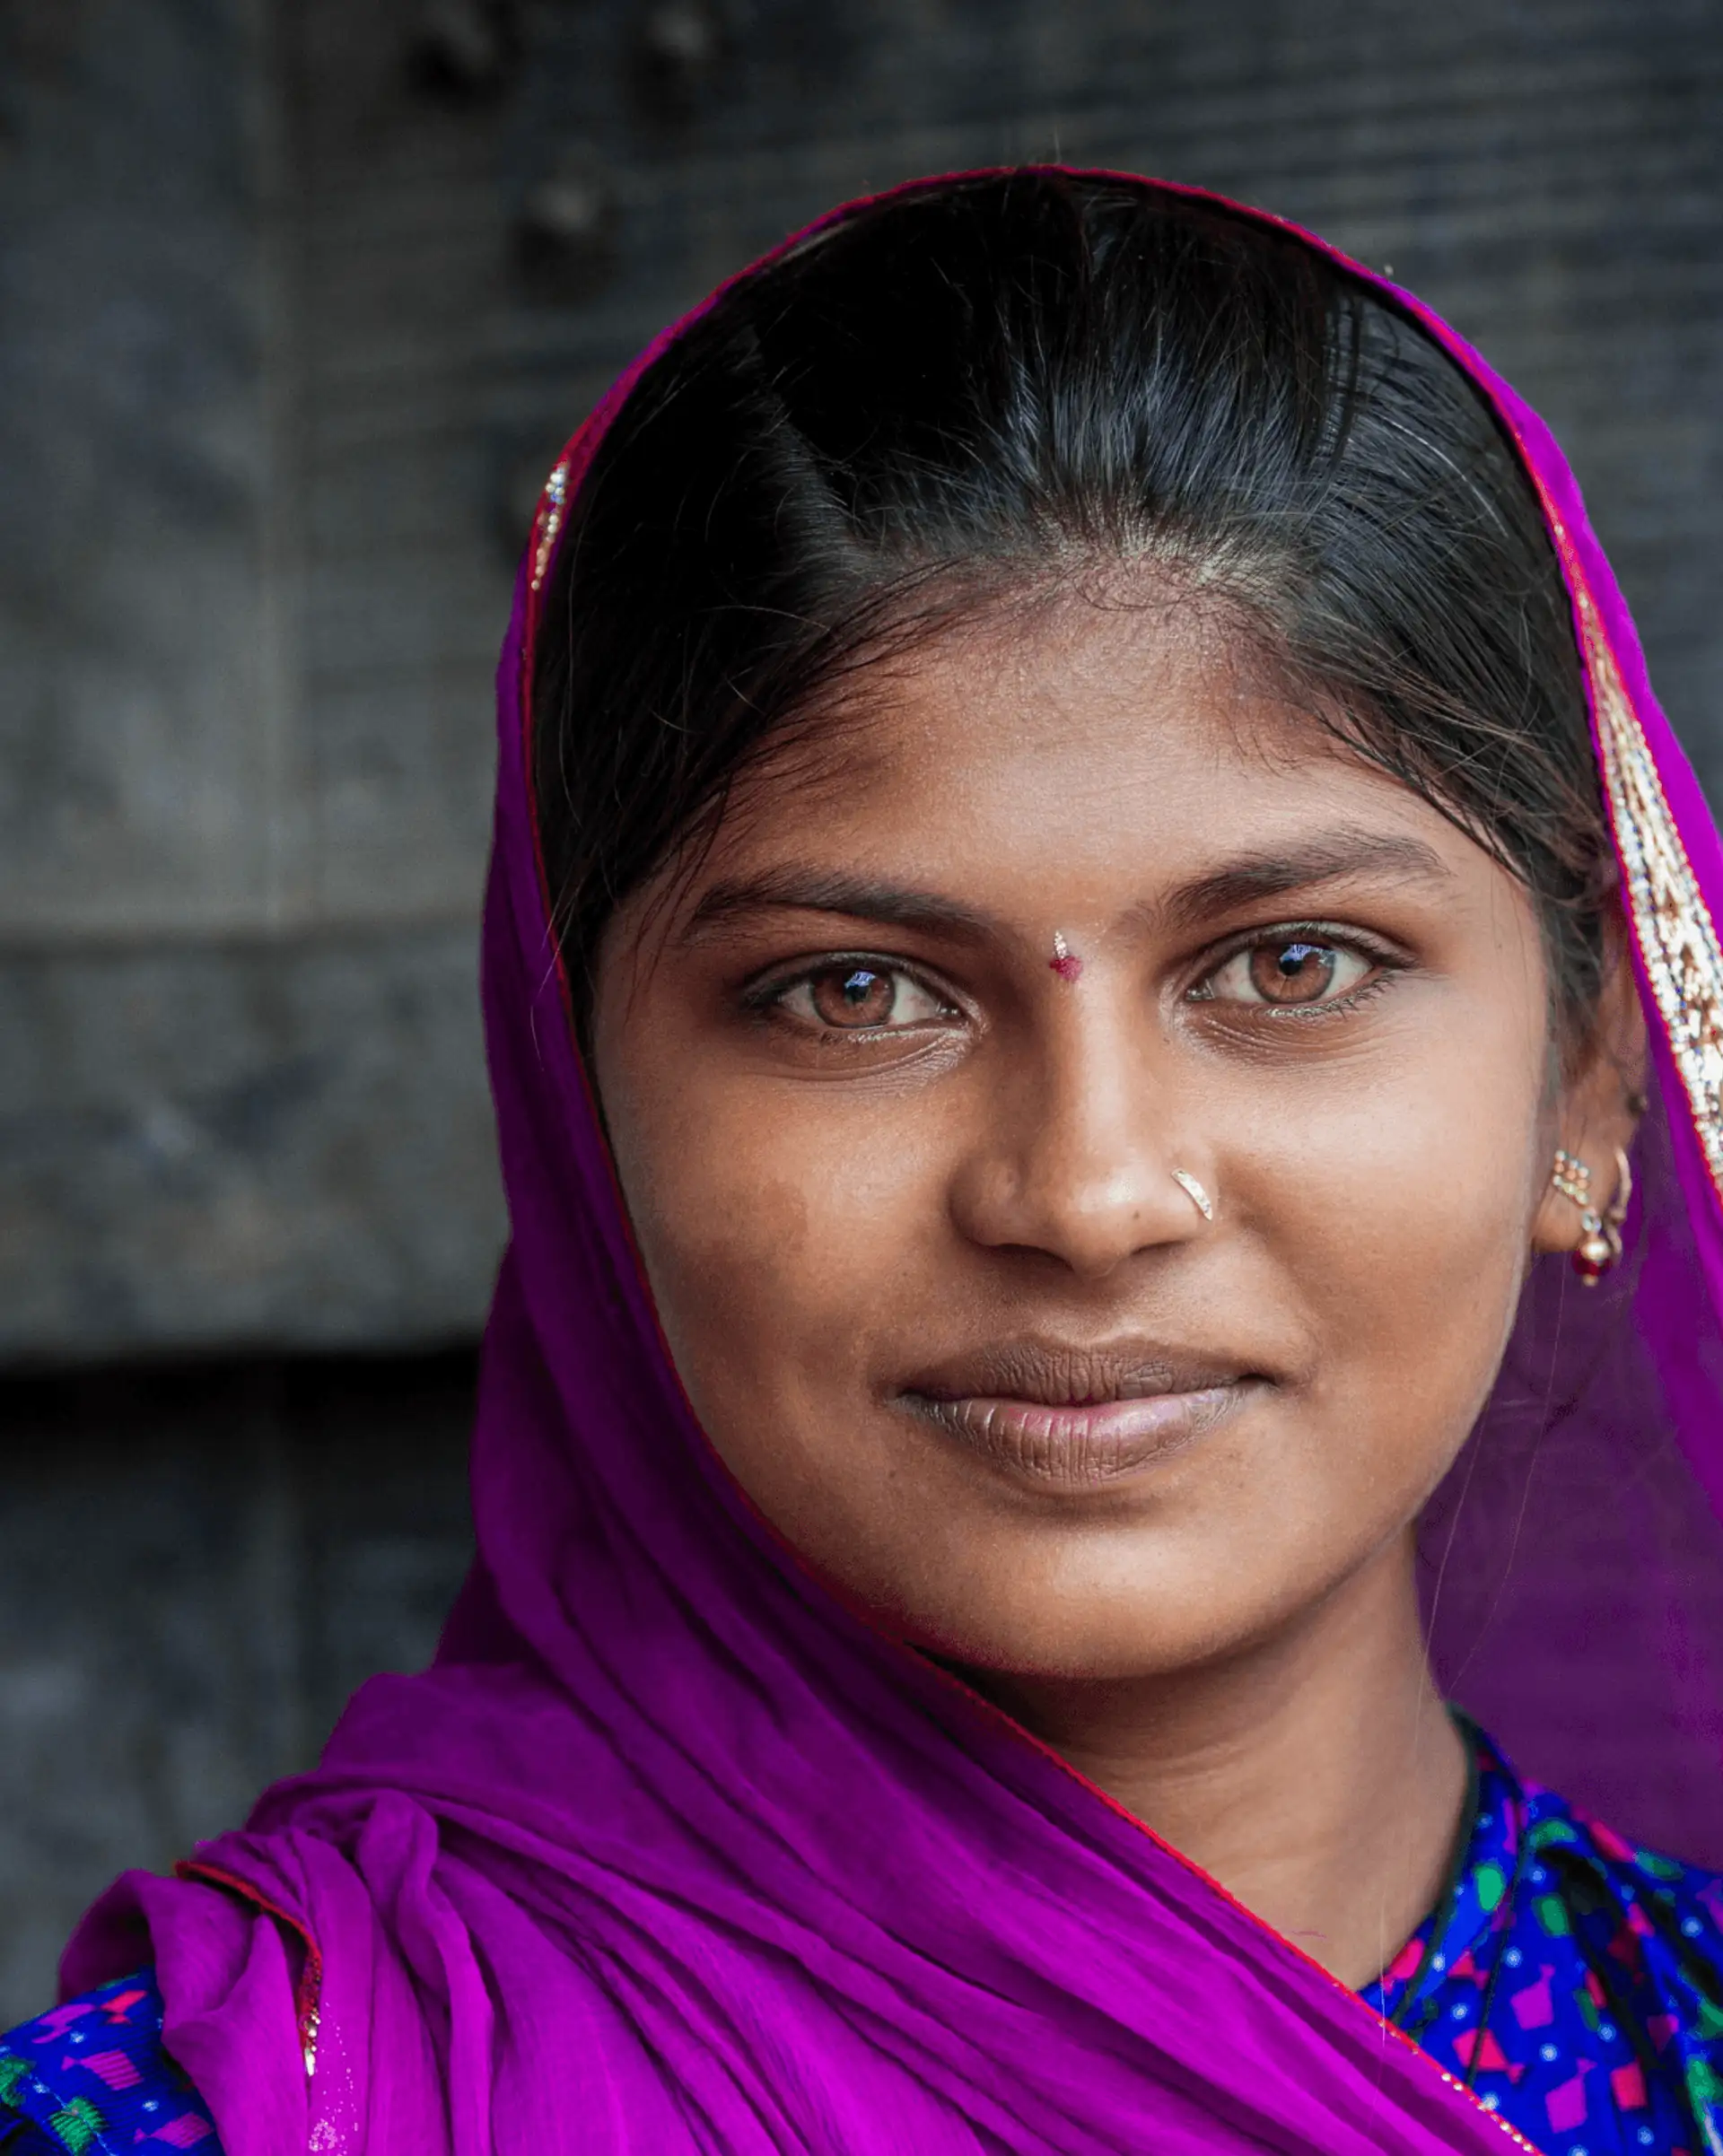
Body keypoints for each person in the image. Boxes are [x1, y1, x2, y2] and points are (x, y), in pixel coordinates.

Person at [5, 168, 1723, 2156]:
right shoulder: (263, 2113)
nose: (1085, 1196)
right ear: (582, 1104)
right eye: (855, 994)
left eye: (1290, 963)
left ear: (1588, 1073)